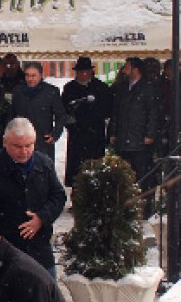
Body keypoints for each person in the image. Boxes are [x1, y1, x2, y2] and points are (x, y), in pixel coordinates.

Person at [0, 117, 66, 277]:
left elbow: (58, 196)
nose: (24, 152)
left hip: (40, 250)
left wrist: (42, 218)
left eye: (29, 145)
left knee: (48, 298)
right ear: (5, 142)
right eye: (17, 146)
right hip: (3, 252)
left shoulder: (44, 164)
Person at [110, 56, 158, 210]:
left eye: (127, 67)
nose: (124, 70)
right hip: (124, 138)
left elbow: (153, 112)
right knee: (124, 175)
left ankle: (143, 206)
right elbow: (116, 112)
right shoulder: (123, 87)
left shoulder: (148, 87)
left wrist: (150, 134)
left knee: (141, 174)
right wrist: (113, 132)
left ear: (136, 69)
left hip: (140, 139)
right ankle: (126, 206)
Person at [62, 56, 112, 187]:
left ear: (91, 72)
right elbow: (63, 110)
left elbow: (107, 110)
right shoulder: (70, 88)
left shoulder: (101, 88)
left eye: (85, 71)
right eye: (79, 72)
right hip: (76, 135)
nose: (82, 75)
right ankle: (76, 196)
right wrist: (69, 122)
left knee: (95, 170)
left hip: (95, 135)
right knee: (76, 170)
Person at [10, 62, 65, 162]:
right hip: (21, 139)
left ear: (40, 75)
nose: (30, 79)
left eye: (33, 75)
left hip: (43, 140)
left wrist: (55, 134)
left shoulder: (51, 91)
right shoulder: (18, 91)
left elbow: (60, 116)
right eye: (27, 75)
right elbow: (11, 115)